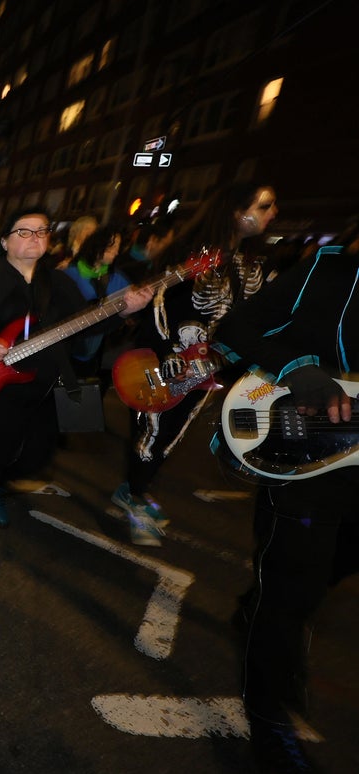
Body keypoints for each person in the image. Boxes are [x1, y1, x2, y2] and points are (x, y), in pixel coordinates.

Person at [211, 244, 357, 774]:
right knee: (290, 592)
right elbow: (233, 329)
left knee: (324, 573)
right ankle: (269, 719)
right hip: (307, 458)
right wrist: (298, 368)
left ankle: (259, 602)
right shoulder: (330, 268)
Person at [0, 207, 151, 559]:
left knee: (36, 457)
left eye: (41, 231)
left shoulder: (58, 282)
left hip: (46, 386)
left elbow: (86, 323)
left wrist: (124, 310)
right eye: (24, 231)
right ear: (5, 241)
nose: (35, 237)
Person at [111, 182, 276, 546]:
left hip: (205, 369)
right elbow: (159, 306)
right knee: (151, 433)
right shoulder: (193, 256)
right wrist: (168, 354)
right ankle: (134, 495)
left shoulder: (248, 264)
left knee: (172, 435)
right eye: (263, 206)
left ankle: (136, 490)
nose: (271, 213)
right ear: (236, 211)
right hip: (162, 364)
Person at [61, 223, 134, 379]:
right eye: (111, 247)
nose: (116, 252)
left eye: (118, 248)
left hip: (97, 352)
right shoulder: (69, 273)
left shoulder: (118, 278)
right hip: (66, 349)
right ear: (97, 246)